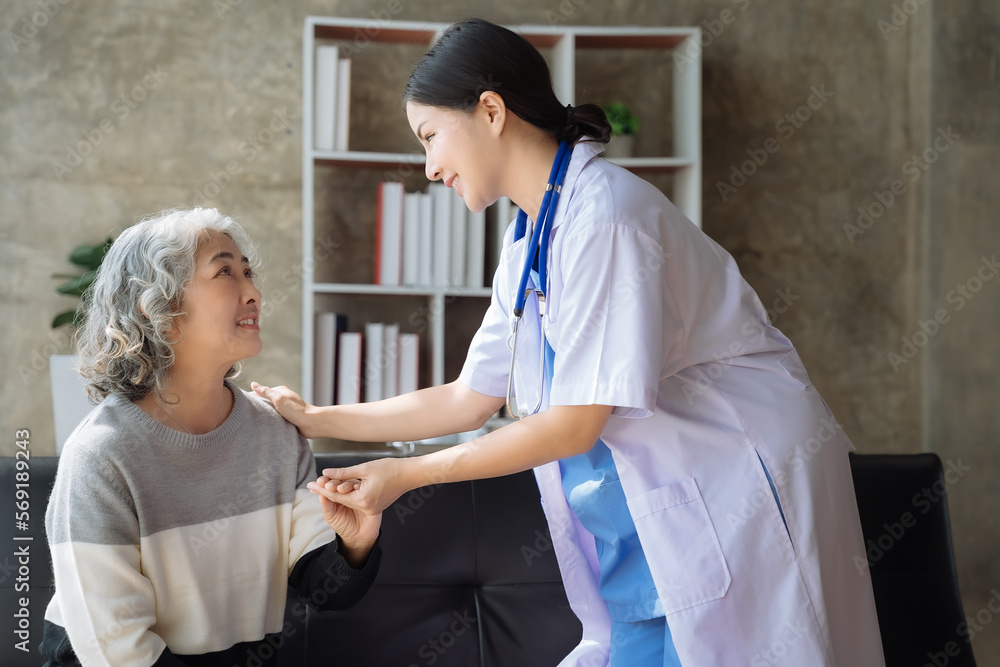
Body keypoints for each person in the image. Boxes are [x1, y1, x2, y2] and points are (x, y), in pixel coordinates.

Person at [252, 18, 885, 667]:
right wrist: (316, 418)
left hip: (741, 490)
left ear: (490, 111)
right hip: (661, 525)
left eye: (430, 136)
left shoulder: (607, 218)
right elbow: (469, 397)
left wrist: (405, 475)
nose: (429, 166)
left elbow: (576, 424)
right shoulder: (532, 239)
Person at [41, 208, 382, 666]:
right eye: (225, 271)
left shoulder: (276, 433)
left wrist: (355, 543)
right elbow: (116, 648)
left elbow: (326, 589)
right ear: (159, 310)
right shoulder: (102, 454)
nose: (254, 292)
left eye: (249, 271)